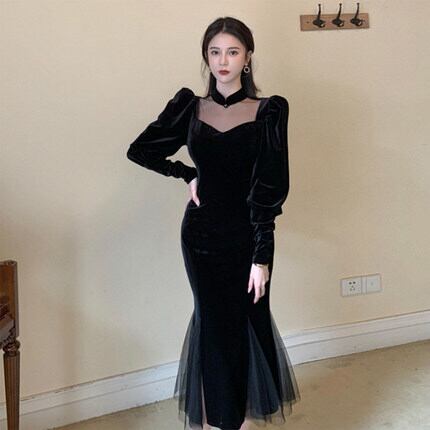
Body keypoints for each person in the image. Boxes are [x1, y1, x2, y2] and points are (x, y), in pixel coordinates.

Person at [127, 16, 301, 430]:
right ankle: (212, 421)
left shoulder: (269, 111)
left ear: (248, 57)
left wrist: (262, 256)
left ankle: (240, 420)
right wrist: (186, 173)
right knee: (211, 325)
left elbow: (270, 187)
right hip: (200, 236)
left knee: (248, 321)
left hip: (247, 237)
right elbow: (141, 150)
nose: (223, 61)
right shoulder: (190, 107)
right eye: (215, 52)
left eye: (232, 52)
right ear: (206, 58)